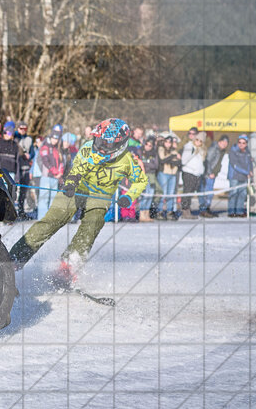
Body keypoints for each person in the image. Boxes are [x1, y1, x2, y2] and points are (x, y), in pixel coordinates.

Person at [8, 118, 147, 287]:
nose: (100, 146)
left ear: (119, 145)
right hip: (78, 188)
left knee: (91, 226)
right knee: (52, 220)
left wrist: (129, 196)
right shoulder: (88, 147)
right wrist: (71, 182)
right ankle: (15, 258)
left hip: (100, 197)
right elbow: (77, 168)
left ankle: (68, 265)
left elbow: (141, 181)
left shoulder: (127, 161)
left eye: (106, 143)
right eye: (99, 140)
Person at [36, 124, 67, 219]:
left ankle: (50, 218)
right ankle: (42, 218)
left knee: (53, 199)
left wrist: (60, 172)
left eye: (57, 138)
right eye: (54, 138)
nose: (55, 140)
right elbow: (45, 162)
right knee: (44, 198)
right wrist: (55, 172)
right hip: (47, 176)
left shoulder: (57, 148)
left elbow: (61, 161)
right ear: (51, 137)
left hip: (55, 177)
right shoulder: (45, 146)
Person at [180, 132, 206, 218]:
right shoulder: (189, 147)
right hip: (189, 172)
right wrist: (193, 153)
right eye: (197, 140)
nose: (198, 142)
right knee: (187, 192)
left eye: (200, 141)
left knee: (190, 193)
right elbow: (184, 160)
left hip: (196, 174)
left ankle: (188, 209)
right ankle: (185, 210)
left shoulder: (201, 150)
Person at [201, 135, 229, 218]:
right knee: (208, 192)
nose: (224, 144)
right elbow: (207, 161)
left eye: (226, 143)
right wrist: (209, 172)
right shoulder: (214, 148)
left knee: (209, 192)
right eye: (223, 142)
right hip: (208, 174)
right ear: (219, 142)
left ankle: (207, 208)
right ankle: (204, 210)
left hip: (213, 174)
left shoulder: (221, 150)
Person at [227, 134, 253, 217]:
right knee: (233, 194)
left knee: (242, 194)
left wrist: (250, 171)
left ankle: (239, 211)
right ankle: (231, 212)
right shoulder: (233, 151)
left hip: (244, 177)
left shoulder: (248, 152)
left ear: (246, 144)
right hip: (234, 176)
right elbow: (235, 165)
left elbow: (249, 163)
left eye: (243, 143)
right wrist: (247, 172)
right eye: (239, 142)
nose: (241, 144)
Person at [156, 135, 181, 220]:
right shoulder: (161, 149)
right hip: (163, 174)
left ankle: (169, 211)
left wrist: (171, 159)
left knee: (171, 194)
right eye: (166, 142)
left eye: (170, 142)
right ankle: (159, 211)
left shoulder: (174, 151)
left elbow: (178, 162)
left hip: (172, 174)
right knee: (163, 193)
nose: (168, 144)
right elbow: (162, 160)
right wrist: (172, 157)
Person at [136, 135, 159, 221]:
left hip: (151, 176)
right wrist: (148, 164)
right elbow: (139, 163)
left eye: (150, 145)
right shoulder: (140, 151)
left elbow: (155, 165)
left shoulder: (154, 153)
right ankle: (142, 214)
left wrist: (146, 164)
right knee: (144, 194)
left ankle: (147, 214)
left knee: (150, 194)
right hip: (142, 175)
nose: (148, 147)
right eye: (147, 144)